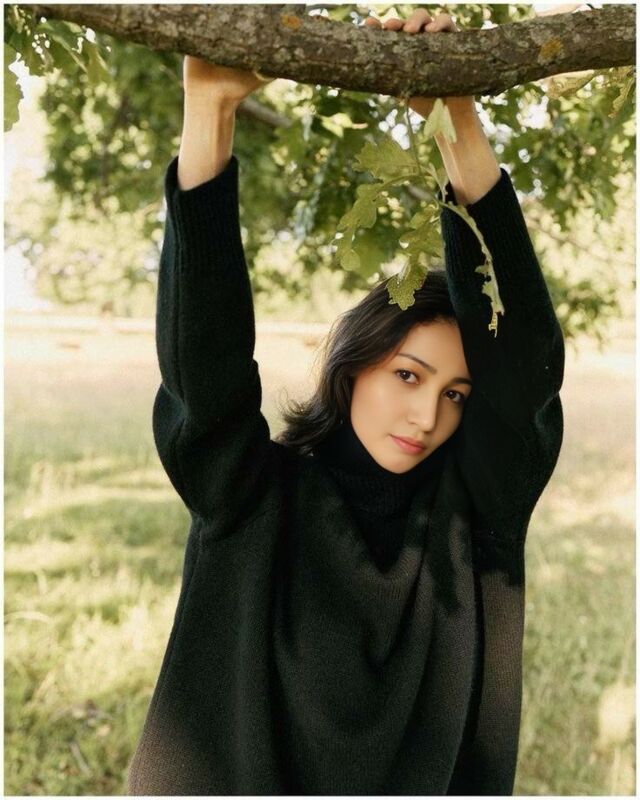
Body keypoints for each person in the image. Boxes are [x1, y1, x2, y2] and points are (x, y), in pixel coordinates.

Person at [127, 8, 564, 796]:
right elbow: (204, 367)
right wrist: (209, 111)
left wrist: (454, 118)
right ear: (353, 366)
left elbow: (524, 371)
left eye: (456, 393)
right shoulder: (248, 495)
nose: (427, 417)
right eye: (408, 375)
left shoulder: (478, 514)